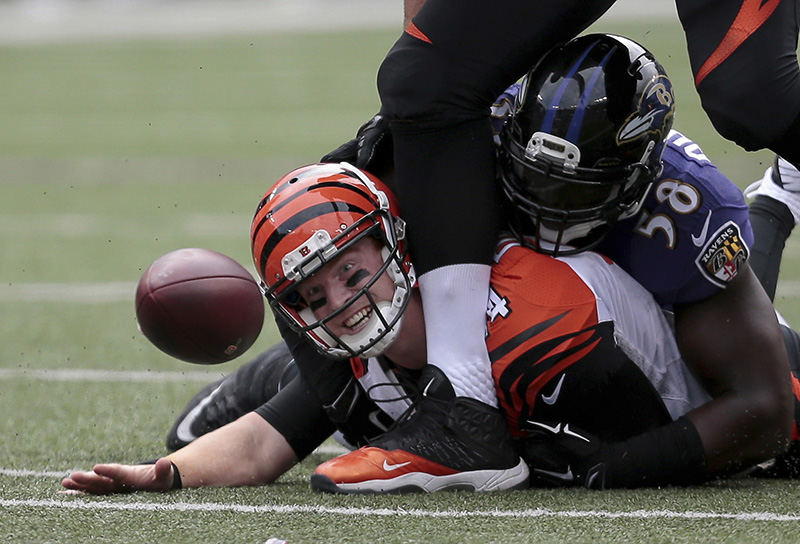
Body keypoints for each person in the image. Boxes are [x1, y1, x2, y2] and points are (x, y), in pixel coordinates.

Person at [61, 161, 784, 496]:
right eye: (313, 294)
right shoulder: (356, 347)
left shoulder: (535, 317)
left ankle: (775, 204)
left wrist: (613, 469)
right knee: (190, 436)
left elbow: (730, 419)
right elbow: (256, 449)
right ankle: (277, 376)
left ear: (399, 243)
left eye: (352, 270)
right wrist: (167, 478)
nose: (343, 300)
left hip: (695, 381)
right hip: (408, 386)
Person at [319, 0, 800, 485]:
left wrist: (619, 465)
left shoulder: (684, 209)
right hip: (578, 350)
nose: (550, 208)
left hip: (671, 358)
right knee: (412, 100)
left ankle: (776, 204)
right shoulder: (486, 133)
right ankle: (459, 402)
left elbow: (762, 407)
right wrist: (411, 122)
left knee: (752, 98)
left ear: (639, 180)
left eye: (575, 192)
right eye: (536, 181)